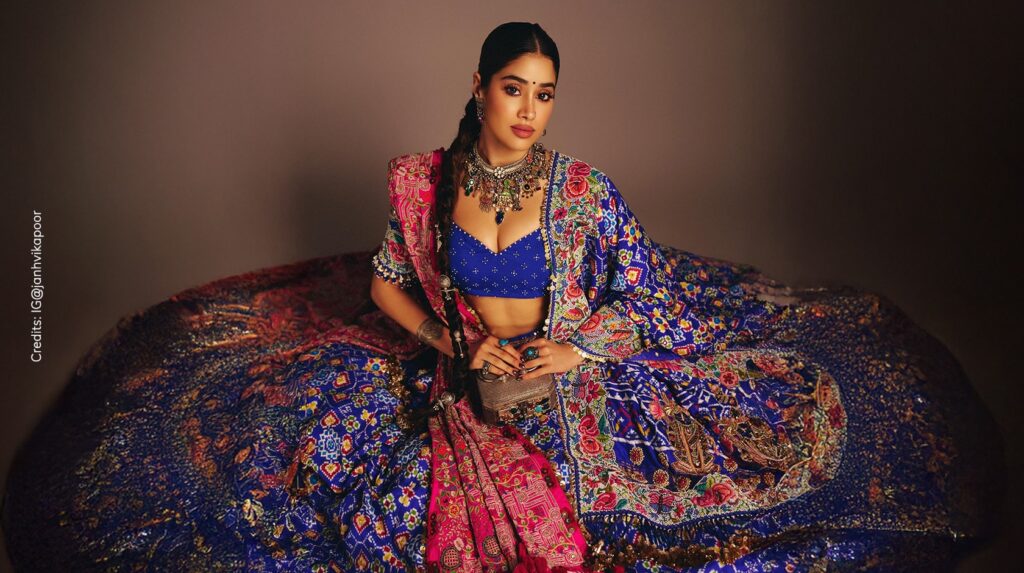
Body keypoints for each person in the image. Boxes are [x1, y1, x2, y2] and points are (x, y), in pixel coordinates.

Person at [1, 21, 1002, 573]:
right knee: (307, 465)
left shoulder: (584, 193)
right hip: (468, 368)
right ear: (479, 85)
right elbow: (383, 284)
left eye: (546, 93)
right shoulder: (422, 183)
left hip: (561, 370)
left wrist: (579, 348)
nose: (530, 110)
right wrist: (451, 342)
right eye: (515, 87)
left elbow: (649, 293)